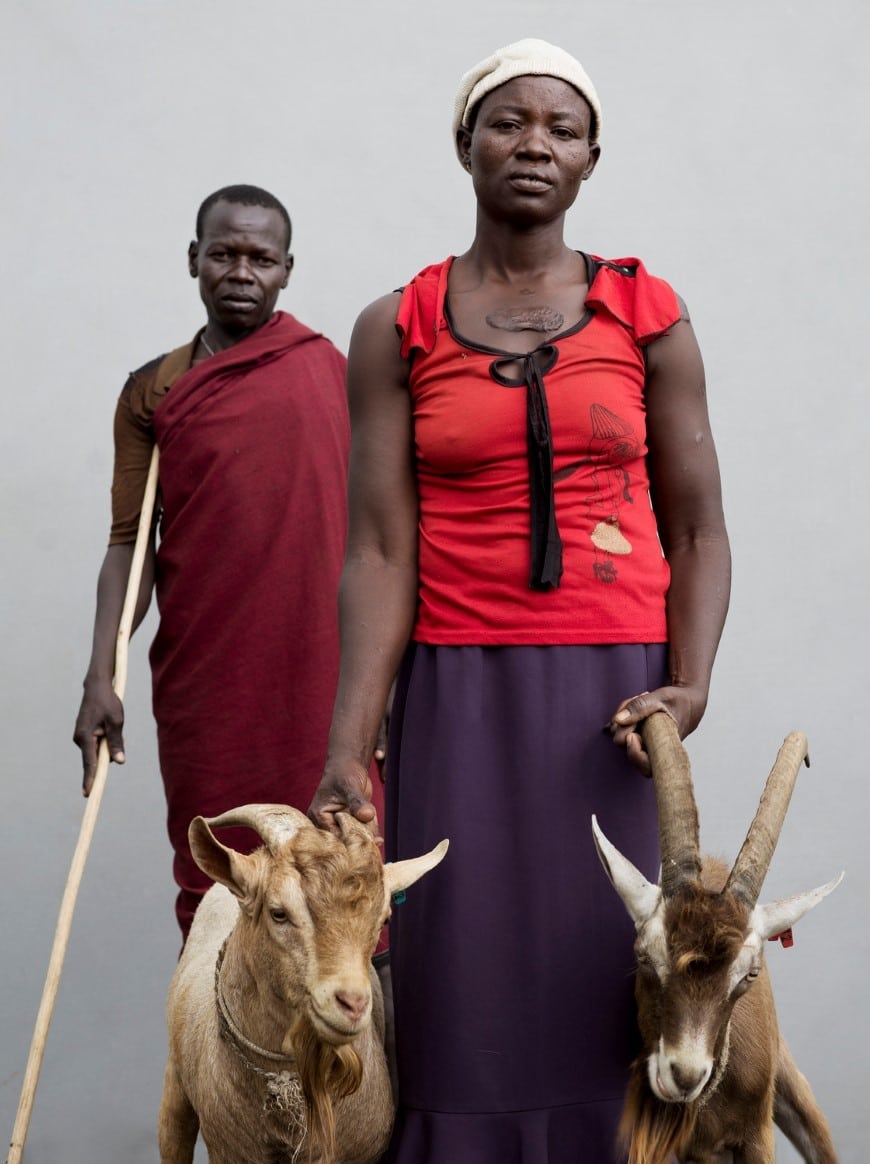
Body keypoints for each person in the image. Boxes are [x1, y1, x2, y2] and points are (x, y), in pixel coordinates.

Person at [308, 39, 731, 1164]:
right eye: (507, 122)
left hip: (617, 705)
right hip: (458, 691)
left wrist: (686, 688)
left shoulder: (650, 311)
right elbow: (380, 551)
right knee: (463, 975)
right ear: (465, 145)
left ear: (593, 158)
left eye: (561, 126)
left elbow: (697, 529)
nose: (533, 142)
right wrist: (352, 745)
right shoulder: (397, 323)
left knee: (616, 961)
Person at [73, 184, 384, 941]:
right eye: (224, 254)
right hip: (209, 677)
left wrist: (389, 678)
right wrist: (100, 674)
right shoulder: (156, 388)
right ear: (194, 260)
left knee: (337, 881)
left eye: (261, 258)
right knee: (223, 884)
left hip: (321, 669)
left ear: (286, 270)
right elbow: (129, 542)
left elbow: (385, 537)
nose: (241, 271)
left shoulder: (331, 373)